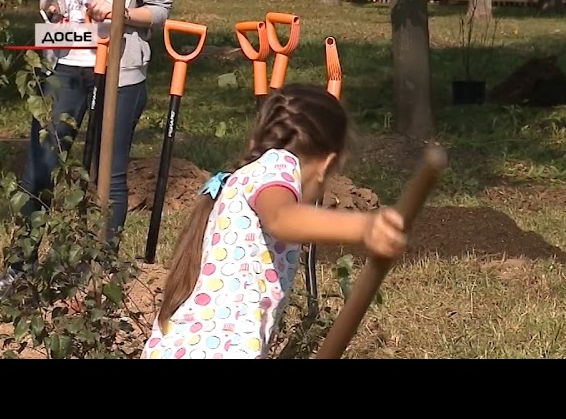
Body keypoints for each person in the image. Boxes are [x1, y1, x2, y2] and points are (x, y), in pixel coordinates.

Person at [141, 83, 408, 359]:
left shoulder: (246, 177)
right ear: (327, 164)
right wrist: (364, 227)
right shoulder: (278, 165)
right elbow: (281, 218)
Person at [0, 0, 173, 301]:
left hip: (121, 70)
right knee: (38, 171)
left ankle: (99, 269)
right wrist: (50, 8)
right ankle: (20, 268)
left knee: (108, 175)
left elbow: (159, 10)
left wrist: (121, 14)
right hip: (61, 66)